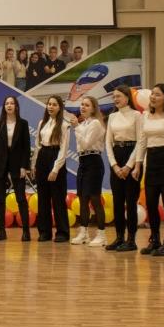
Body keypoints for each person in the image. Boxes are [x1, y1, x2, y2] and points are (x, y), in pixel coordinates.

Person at [132, 83, 164, 257]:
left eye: (157, 94)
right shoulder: (146, 115)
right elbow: (142, 142)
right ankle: (155, 239)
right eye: (152, 94)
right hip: (152, 161)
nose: (153, 97)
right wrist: (138, 165)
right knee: (151, 204)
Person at [0, 96, 31, 241]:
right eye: (7, 103)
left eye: (12, 103)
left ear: (16, 106)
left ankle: (26, 231)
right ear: (4, 106)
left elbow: (26, 147)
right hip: (0, 164)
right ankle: (1, 230)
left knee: (21, 199)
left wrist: (24, 166)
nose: (9, 105)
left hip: (17, 165)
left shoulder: (23, 123)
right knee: (0, 199)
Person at [105, 86, 142, 251]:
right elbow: (108, 142)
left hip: (131, 155)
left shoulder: (137, 115)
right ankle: (119, 237)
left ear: (127, 97)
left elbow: (140, 141)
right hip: (116, 157)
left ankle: (131, 239)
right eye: (114, 97)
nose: (115, 99)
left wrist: (128, 166)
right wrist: (114, 165)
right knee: (117, 201)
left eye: (118, 96)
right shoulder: (112, 116)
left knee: (130, 201)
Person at [32, 95, 71, 243]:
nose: (51, 107)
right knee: (43, 198)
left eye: (54, 104)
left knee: (58, 198)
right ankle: (44, 232)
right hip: (43, 157)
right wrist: (34, 164)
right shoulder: (42, 122)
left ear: (59, 107)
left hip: (56, 157)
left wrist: (55, 169)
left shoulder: (64, 125)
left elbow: (64, 149)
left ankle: (62, 232)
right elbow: (38, 145)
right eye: (49, 104)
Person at [71, 97, 107, 246]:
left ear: (93, 108)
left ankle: (101, 234)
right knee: (83, 199)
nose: (83, 107)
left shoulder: (96, 123)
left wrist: (76, 127)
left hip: (94, 161)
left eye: (87, 105)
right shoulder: (83, 124)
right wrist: (78, 127)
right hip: (83, 161)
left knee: (95, 198)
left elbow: (86, 144)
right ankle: (83, 233)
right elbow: (80, 147)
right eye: (82, 105)